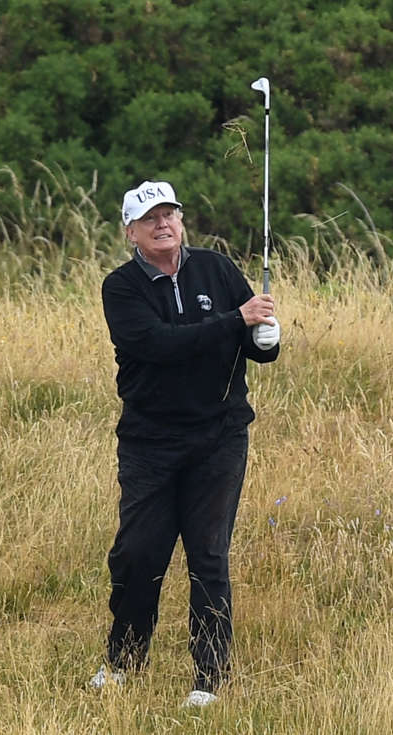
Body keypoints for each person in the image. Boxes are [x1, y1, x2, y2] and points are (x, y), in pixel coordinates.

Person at [90, 180, 280, 708]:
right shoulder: (121, 287)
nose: (162, 224)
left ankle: (208, 681)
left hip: (219, 437)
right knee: (138, 554)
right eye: (150, 218)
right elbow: (156, 346)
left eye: (169, 213)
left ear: (181, 220)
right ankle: (125, 662)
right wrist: (235, 321)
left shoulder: (217, 270)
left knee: (208, 557)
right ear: (131, 233)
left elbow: (252, 339)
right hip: (150, 440)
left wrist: (267, 339)